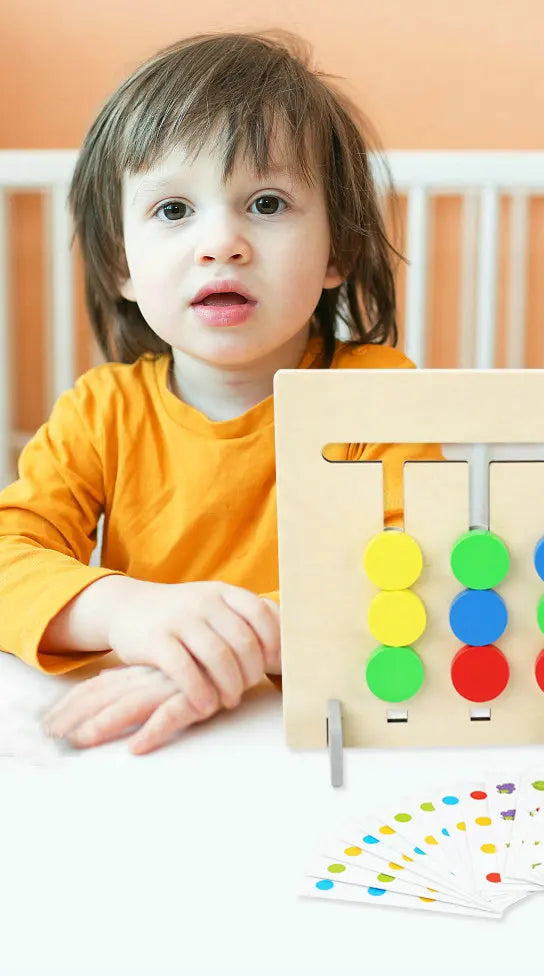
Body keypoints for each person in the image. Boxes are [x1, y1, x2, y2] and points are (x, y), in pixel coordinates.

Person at [0, 30, 442, 755]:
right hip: (146, 738)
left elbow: (411, 577)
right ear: (122, 267)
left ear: (339, 251)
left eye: (266, 203)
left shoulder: (375, 395)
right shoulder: (100, 413)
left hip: (319, 733)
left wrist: (225, 652)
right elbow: (8, 552)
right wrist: (125, 612)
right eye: (173, 210)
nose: (221, 243)